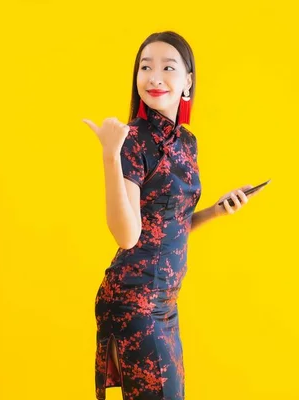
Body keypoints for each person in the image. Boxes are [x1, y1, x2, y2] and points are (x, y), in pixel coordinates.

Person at [83, 31, 264, 400]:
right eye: (145, 67)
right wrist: (109, 156)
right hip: (135, 300)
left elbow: (170, 224)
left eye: (168, 67)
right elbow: (128, 236)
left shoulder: (187, 143)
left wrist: (215, 210)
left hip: (166, 301)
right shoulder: (129, 138)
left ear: (188, 81)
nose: (155, 77)